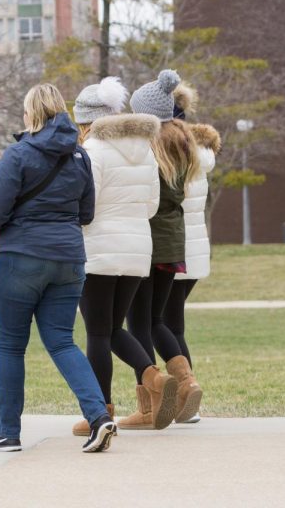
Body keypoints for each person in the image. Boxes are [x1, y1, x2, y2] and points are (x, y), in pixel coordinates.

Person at [0, 83, 116, 453]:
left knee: (10, 346)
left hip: (20, 258)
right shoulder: (81, 157)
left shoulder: (18, 154)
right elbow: (86, 214)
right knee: (62, 341)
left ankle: (8, 432)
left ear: (32, 114)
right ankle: (99, 416)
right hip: (69, 259)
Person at [70, 77, 178, 436]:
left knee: (98, 334)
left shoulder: (93, 151)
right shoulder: (145, 149)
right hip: (137, 250)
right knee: (115, 329)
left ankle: (99, 412)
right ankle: (154, 376)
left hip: (99, 250)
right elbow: (150, 205)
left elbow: (89, 205)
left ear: (89, 121)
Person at [126, 69, 204, 425]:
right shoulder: (183, 140)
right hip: (174, 243)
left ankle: (150, 404)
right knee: (157, 320)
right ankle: (186, 382)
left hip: (149, 243)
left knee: (137, 324)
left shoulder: (150, 147)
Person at [164, 83, 221, 424]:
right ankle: (189, 400)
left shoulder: (174, 155)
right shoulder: (201, 155)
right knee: (173, 324)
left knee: (157, 323)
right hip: (196, 253)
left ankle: (186, 388)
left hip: (173, 251)